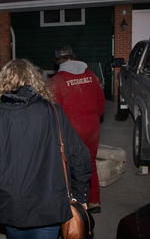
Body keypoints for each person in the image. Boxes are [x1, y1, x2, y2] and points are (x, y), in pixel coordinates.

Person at [0, 59, 92, 239]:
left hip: (13, 208)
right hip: (50, 207)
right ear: (35, 81)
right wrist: (80, 194)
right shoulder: (53, 112)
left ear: (1, 83)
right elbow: (80, 155)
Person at [48, 46, 105, 214]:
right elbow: (101, 105)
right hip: (92, 127)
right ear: (74, 57)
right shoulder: (91, 76)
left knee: (68, 167)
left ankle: (74, 205)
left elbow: (53, 112)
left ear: (58, 60)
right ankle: (94, 202)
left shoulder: (56, 81)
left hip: (71, 131)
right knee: (90, 163)